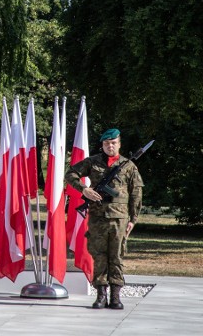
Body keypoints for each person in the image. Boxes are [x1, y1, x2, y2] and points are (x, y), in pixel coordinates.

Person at [65, 128, 143, 310]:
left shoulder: (128, 166)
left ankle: (115, 296)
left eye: (113, 143)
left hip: (120, 218)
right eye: (107, 143)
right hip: (97, 217)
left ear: (119, 144)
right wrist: (84, 189)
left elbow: (136, 194)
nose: (110, 146)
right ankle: (101, 296)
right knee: (99, 256)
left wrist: (133, 219)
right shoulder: (93, 162)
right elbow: (70, 174)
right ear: (102, 145)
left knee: (116, 256)